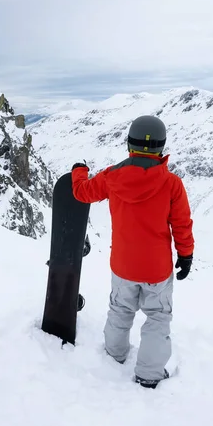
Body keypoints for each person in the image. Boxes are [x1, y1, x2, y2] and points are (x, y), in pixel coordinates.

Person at [71, 115, 194, 389]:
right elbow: (182, 225)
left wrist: (79, 170)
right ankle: (149, 374)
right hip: (157, 269)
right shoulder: (172, 184)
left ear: (130, 144)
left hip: (123, 265)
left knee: (120, 309)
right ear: (161, 147)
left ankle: (114, 356)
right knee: (158, 317)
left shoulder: (111, 176)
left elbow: (82, 193)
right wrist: (186, 255)